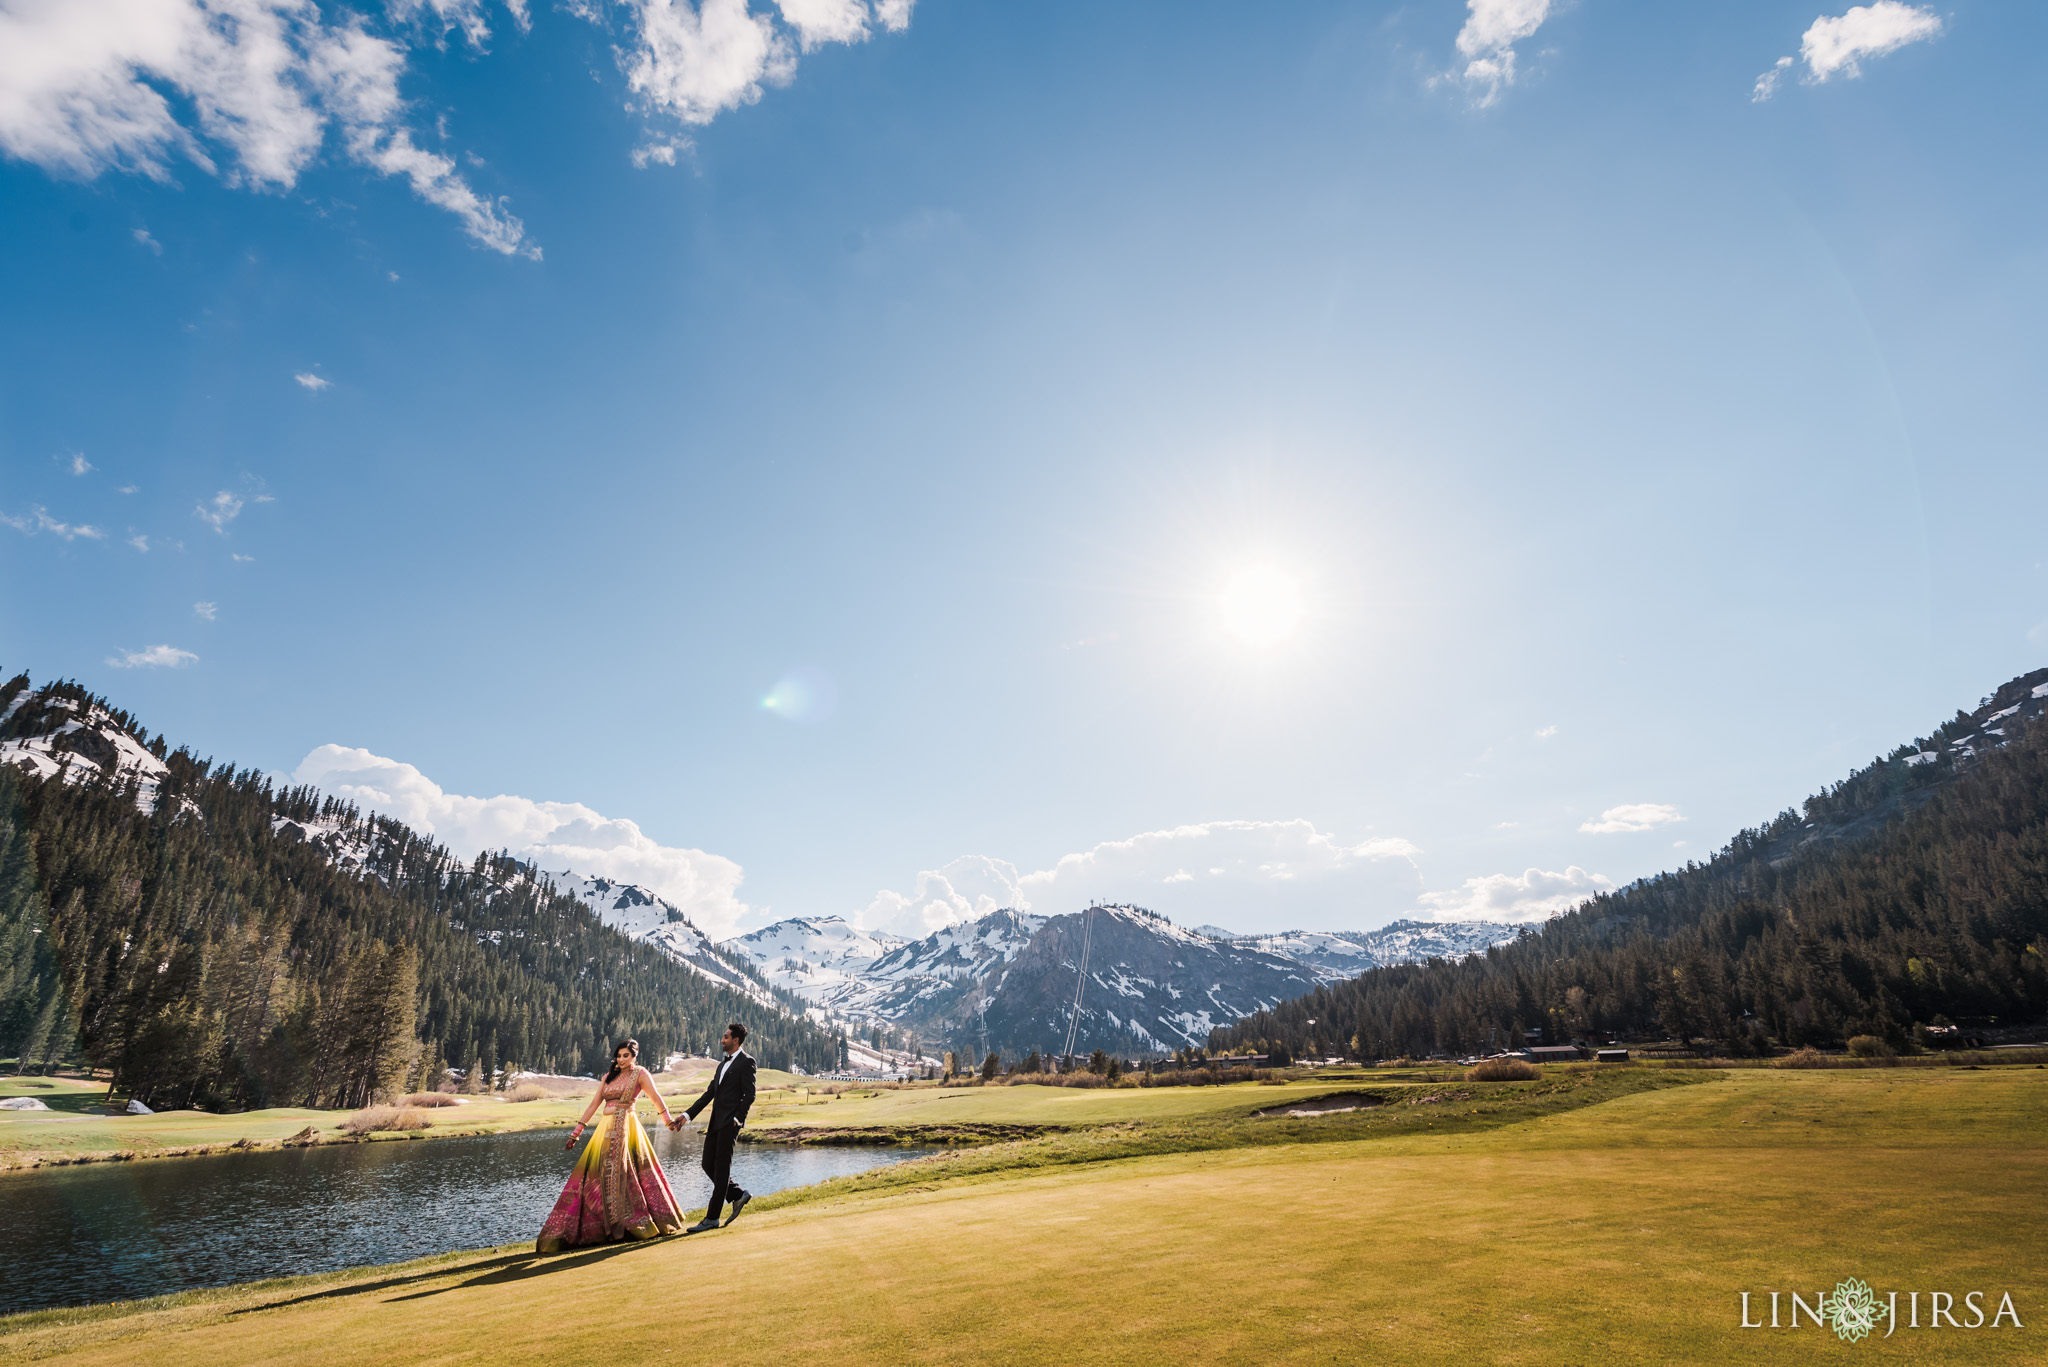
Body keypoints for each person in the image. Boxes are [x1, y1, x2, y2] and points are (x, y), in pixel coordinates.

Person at [535, 1038, 687, 1253]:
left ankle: (632, 1226)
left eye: (626, 1055)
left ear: (634, 1056)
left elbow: (655, 1097)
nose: (622, 1059)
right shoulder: (608, 1077)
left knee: (626, 1173)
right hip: (604, 1131)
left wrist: (667, 1121)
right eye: (619, 1055)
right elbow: (593, 1105)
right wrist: (576, 1133)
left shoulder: (640, 1074)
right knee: (595, 1177)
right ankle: (596, 1229)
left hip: (626, 1126)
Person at [672, 1021, 756, 1232]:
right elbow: (709, 1094)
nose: (722, 1040)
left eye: (726, 1037)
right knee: (707, 1164)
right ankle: (737, 1195)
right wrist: (686, 1116)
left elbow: (750, 1094)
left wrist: (738, 1119)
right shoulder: (722, 1065)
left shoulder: (747, 1062)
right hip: (715, 1124)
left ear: (735, 1040)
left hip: (729, 1124)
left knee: (721, 1171)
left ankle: (712, 1218)